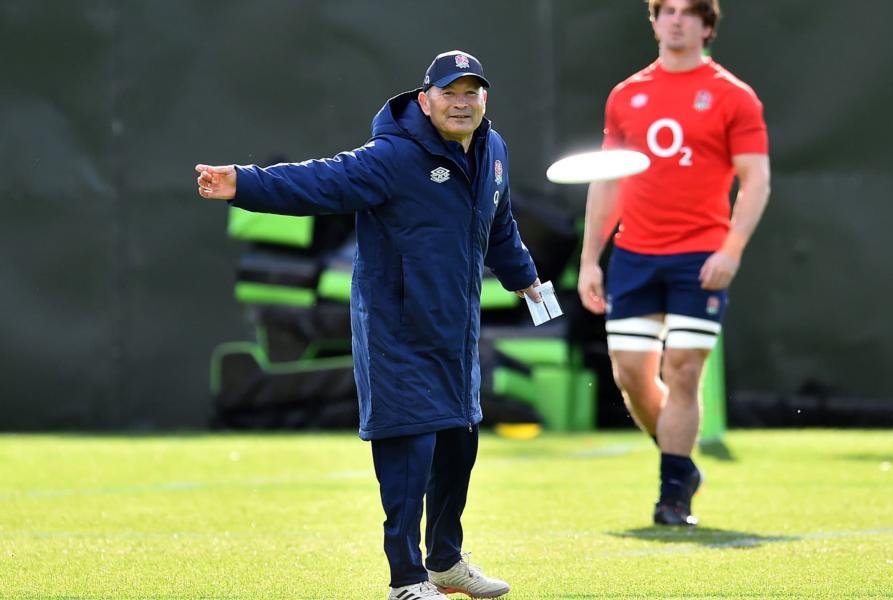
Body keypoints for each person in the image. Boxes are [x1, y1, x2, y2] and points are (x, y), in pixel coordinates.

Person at [196, 50, 539, 600]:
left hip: (456, 332)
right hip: (395, 331)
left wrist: (525, 278)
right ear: (425, 101)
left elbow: (499, 223)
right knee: (409, 451)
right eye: (449, 93)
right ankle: (406, 580)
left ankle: (446, 564)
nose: (460, 102)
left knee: (459, 444)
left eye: (470, 92)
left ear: (485, 100)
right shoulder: (393, 157)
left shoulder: (492, 150)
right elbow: (320, 182)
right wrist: (243, 183)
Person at [577, 0, 771, 527]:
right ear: (655, 21)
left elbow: (755, 179)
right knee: (631, 377)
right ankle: (681, 464)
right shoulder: (626, 94)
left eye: (689, 12)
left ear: (708, 26)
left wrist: (731, 249)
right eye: (667, 11)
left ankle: (672, 497)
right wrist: (591, 259)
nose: (677, 20)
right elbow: (608, 179)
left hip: (700, 256)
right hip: (635, 255)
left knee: (682, 370)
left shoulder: (734, 96)